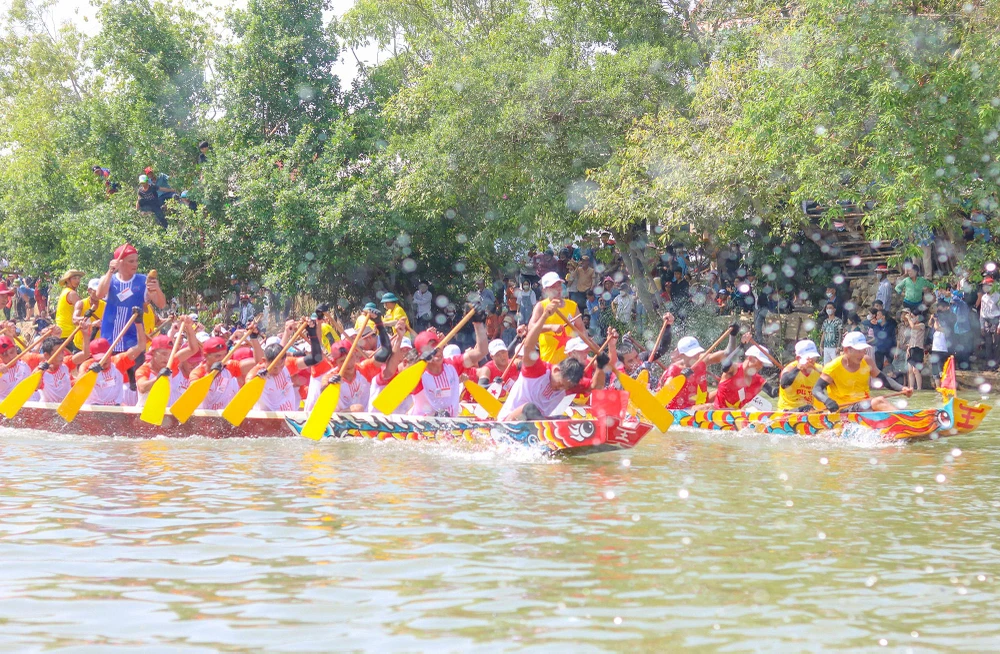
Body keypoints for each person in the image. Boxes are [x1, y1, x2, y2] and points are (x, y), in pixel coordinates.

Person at [498, 300, 607, 421]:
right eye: (560, 384)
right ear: (556, 370)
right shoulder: (538, 370)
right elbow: (529, 346)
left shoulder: (569, 383)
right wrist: (544, 316)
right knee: (530, 408)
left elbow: (596, 386)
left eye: (563, 387)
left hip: (537, 425)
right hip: (510, 421)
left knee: (566, 420)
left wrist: (601, 366)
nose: (559, 388)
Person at [406, 312, 489, 417]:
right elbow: (399, 385)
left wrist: (478, 323)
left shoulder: (452, 365)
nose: (437, 351)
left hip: (450, 425)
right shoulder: (418, 375)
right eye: (430, 348)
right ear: (421, 354)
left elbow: (481, 351)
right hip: (422, 428)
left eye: (437, 345)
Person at [813, 331, 912, 413]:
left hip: (864, 404)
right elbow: (816, 389)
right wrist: (826, 401)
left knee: (877, 402)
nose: (862, 354)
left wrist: (902, 388)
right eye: (858, 350)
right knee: (878, 401)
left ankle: (903, 419)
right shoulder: (832, 367)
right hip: (844, 409)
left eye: (863, 350)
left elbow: (884, 379)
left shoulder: (867, 361)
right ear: (847, 350)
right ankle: (905, 420)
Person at [97, 243, 166, 354]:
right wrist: (110, 271)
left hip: (134, 344)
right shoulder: (109, 280)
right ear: (119, 263)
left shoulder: (143, 281)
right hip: (110, 341)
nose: (135, 264)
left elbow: (161, 304)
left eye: (136, 261)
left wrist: (157, 289)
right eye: (131, 261)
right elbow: (99, 294)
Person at [658, 324, 739, 409]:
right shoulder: (674, 369)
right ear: (681, 355)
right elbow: (666, 393)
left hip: (701, 404)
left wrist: (732, 335)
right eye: (692, 354)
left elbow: (728, 353)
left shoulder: (703, 359)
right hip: (681, 410)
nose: (696, 356)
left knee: (727, 391)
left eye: (697, 352)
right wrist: (681, 377)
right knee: (710, 407)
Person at [187, 330, 264, 410]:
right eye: (217, 356)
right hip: (204, 418)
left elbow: (259, 363)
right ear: (206, 356)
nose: (222, 359)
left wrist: (254, 338)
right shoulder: (197, 373)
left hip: (224, 418)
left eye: (224, 355)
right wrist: (212, 376)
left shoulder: (229, 366)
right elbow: (193, 394)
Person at [135, 318, 201, 406]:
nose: (167, 358)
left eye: (170, 354)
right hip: (146, 415)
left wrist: (188, 327)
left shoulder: (170, 363)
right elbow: (142, 387)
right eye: (163, 354)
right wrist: (158, 378)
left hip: (169, 416)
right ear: (153, 353)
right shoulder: (144, 369)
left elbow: (193, 349)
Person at [529, 272, 586, 365]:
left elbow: (582, 330)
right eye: (553, 286)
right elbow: (531, 328)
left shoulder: (572, 305)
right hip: (549, 362)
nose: (558, 289)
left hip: (571, 364)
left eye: (559, 285)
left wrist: (584, 349)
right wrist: (550, 327)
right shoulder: (541, 306)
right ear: (545, 290)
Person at [711, 334, 777, 409]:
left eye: (763, 364)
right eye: (760, 362)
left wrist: (790, 377)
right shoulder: (734, 369)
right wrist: (741, 345)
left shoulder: (758, 380)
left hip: (736, 418)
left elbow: (773, 393)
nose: (761, 366)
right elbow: (725, 366)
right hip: (718, 415)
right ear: (751, 358)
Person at [777, 340, 822, 411]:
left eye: (814, 358)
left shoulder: (819, 369)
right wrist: (797, 369)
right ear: (798, 358)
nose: (812, 362)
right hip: (788, 410)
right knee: (808, 408)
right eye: (809, 359)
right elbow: (784, 384)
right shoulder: (789, 369)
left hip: (809, 410)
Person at [72, 278, 105, 351]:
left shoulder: (105, 306)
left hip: (97, 346)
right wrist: (91, 324)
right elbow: (74, 320)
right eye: (96, 290)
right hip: (80, 346)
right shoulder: (81, 303)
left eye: (100, 290)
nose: (98, 293)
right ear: (89, 290)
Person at [54, 270, 85, 340]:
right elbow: (83, 308)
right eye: (74, 278)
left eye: (78, 278)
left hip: (62, 330)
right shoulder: (71, 293)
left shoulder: (65, 291)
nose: (77, 281)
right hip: (68, 332)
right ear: (67, 280)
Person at [977, 276, 1000, 370]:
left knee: (996, 344)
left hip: (995, 321)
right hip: (987, 322)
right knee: (988, 344)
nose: (984, 287)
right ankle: (988, 364)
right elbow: (982, 312)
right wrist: (982, 326)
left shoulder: (998, 296)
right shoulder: (984, 298)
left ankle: (995, 364)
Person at [0, 335, 31, 400]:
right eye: (5, 355)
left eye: (12, 352)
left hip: (26, 402)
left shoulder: (27, 360)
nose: (10, 357)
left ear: (16, 349)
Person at [901, 309, 926, 390]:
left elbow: (913, 327)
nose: (911, 318)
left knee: (916, 370)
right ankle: (911, 387)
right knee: (910, 370)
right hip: (912, 348)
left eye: (913, 317)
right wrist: (908, 348)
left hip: (918, 349)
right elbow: (912, 338)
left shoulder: (922, 325)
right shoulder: (913, 325)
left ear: (918, 317)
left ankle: (919, 388)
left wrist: (908, 319)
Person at [871, 308, 897, 375]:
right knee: (878, 367)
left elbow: (890, 336)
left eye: (878, 315)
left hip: (889, 349)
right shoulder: (876, 326)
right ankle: (879, 382)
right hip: (879, 349)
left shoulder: (890, 326)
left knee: (889, 367)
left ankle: (889, 382)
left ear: (883, 317)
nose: (876, 317)